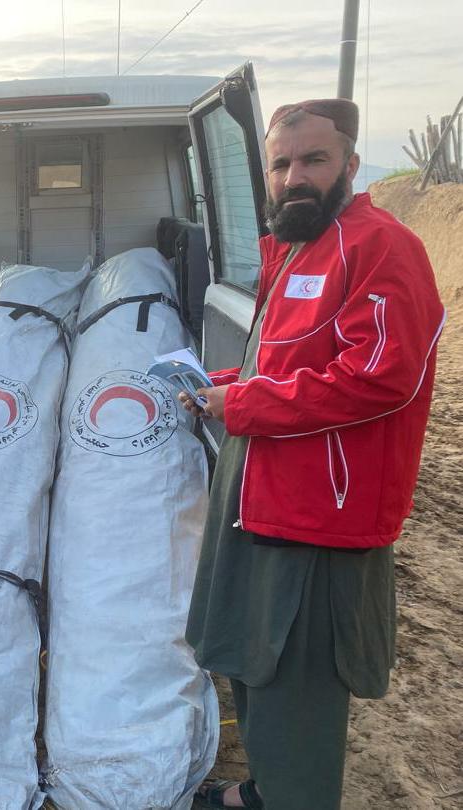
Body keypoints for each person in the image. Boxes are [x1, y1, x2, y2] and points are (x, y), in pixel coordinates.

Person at [182, 99, 445, 810]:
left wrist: (241, 406)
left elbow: (380, 378)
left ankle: (292, 796)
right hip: (261, 487)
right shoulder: (299, 243)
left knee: (295, 674)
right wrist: (221, 383)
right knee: (252, 657)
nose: (294, 175)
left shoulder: (381, 247)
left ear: (350, 166)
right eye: (280, 163)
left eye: (313, 159)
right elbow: (286, 362)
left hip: (320, 512)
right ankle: (265, 787)